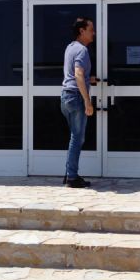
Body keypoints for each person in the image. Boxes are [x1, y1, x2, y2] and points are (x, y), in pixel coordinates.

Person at [61, 17, 95, 188]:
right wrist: (87, 102)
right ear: (82, 31)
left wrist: (90, 79)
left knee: (74, 137)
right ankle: (72, 177)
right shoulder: (82, 50)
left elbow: (78, 75)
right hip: (76, 97)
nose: (93, 33)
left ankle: (69, 173)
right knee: (77, 138)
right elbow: (78, 75)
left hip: (66, 96)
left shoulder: (70, 48)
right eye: (91, 30)